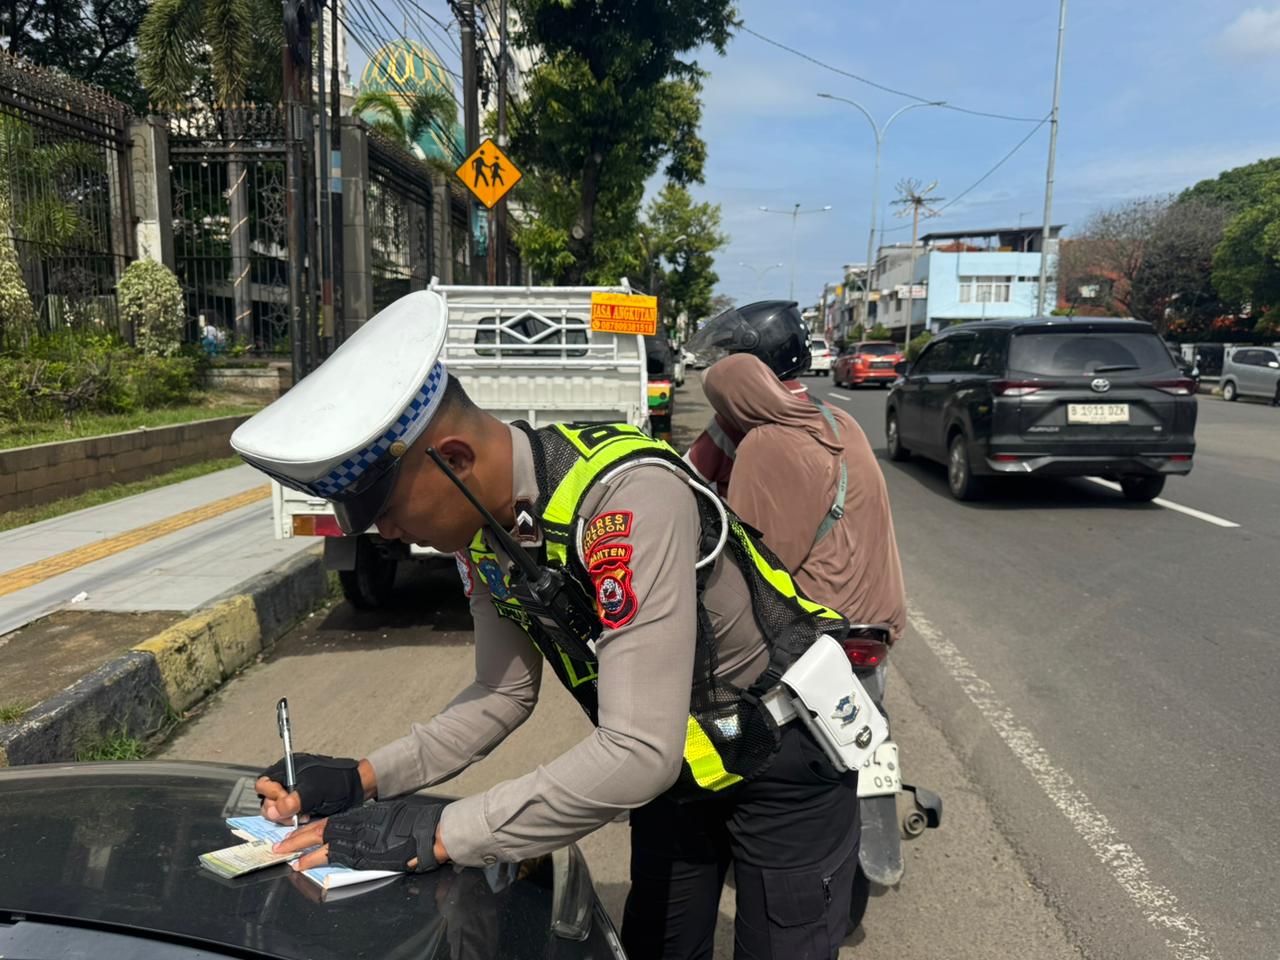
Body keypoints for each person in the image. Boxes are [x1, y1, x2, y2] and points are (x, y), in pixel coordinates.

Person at [232, 290, 863, 959]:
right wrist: (361, 779)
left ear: (455, 459)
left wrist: (441, 833)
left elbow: (636, 750)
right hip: (684, 761)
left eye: (382, 508)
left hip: (780, 755)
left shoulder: (625, 498)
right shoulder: (484, 534)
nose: (385, 532)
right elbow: (501, 694)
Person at [701, 353, 906, 641]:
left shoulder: (764, 444)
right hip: (882, 612)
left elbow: (757, 556)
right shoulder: (838, 420)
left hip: (818, 619)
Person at [682, 300, 816, 497]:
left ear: (758, 359)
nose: (728, 363)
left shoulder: (736, 421)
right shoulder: (828, 416)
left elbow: (686, 476)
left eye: (734, 356)